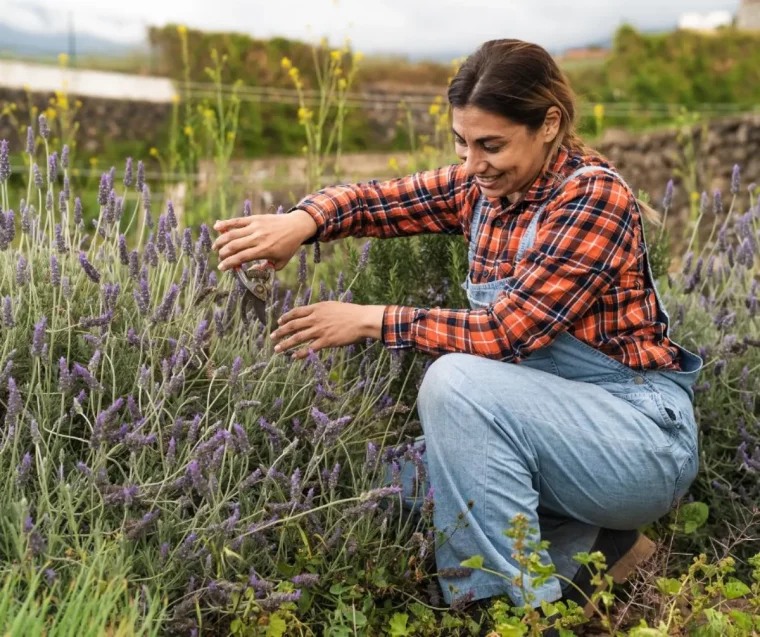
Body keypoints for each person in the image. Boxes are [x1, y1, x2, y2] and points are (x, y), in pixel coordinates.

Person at [211, 38, 702, 624]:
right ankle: (600, 553)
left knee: (456, 384)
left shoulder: (593, 196)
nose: (472, 165)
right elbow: (378, 202)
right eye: (462, 144)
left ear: (548, 124)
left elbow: (505, 332)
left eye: (490, 145)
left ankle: (505, 611)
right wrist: (302, 221)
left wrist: (369, 319)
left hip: (638, 442)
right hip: (554, 435)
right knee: (384, 485)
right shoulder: (485, 190)